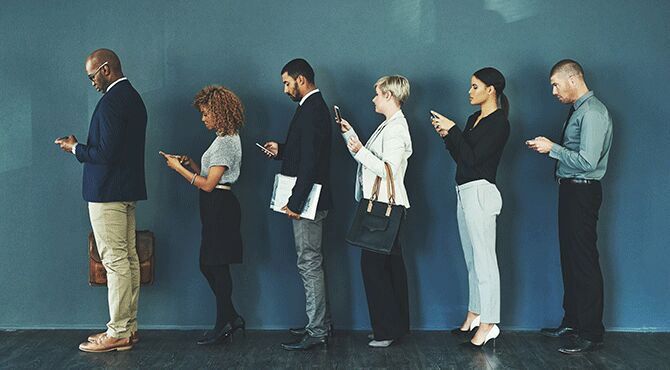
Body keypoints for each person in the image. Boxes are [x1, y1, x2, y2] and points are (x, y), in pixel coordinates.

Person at [55, 49, 147, 352]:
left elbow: (105, 154)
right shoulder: (133, 97)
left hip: (107, 193)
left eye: (92, 75)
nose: (92, 82)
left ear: (106, 69)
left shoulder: (111, 103)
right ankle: (128, 328)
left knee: (115, 261)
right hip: (127, 190)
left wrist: (75, 148)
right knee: (128, 259)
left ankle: (118, 331)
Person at [527, 59, 613, 354]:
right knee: (571, 258)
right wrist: (553, 150)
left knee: (584, 261)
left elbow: (588, 161)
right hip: (571, 191)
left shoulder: (592, 113)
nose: (553, 91)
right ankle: (574, 322)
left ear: (573, 79)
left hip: (583, 192)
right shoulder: (579, 111)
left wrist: (552, 149)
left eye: (555, 84)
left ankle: (591, 333)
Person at [160, 85, 246, 345]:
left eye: (206, 113)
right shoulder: (223, 138)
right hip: (215, 205)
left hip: (220, 205)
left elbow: (209, 184)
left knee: (216, 265)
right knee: (210, 264)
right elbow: (210, 177)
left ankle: (224, 323)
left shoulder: (226, 142)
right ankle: (231, 317)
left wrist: (179, 170)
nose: (203, 118)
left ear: (219, 112)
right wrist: (193, 165)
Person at [431, 67, 510, 349]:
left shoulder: (500, 123)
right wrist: (447, 135)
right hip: (464, 191)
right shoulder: (473, 119)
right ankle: (474, 314)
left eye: (475, 87)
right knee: (472, 259)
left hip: (481, 192)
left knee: (485, 260)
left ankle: (489, 323)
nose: (470, 91)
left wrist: (453, 131)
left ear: (492, 90)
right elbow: (462, 157)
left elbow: (475, 159)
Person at [262, 58, 334, 351]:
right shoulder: (311, 108)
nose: (284, 89)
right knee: (311, 262)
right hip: (310, 199)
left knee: (309, 263)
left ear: (301, 79)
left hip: (308, 201)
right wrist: (282, 150)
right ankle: (319, 324)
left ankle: (317, 330)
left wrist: (295, 202)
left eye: (286, 83)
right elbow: (305, 151)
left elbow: (311, 162)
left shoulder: (312, 110)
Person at [338, 75, 412, 348]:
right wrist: (352, 137)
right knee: (390, 269)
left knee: (375, 269)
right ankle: (393, 327)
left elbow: (388, 170)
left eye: (378, 94)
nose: (373, 99)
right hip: (386, 207)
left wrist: (358, 150)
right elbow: (373, 159)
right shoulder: (389, 126)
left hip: (384, 208)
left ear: (389, 96)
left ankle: (386, 331)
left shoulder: (396, 129)